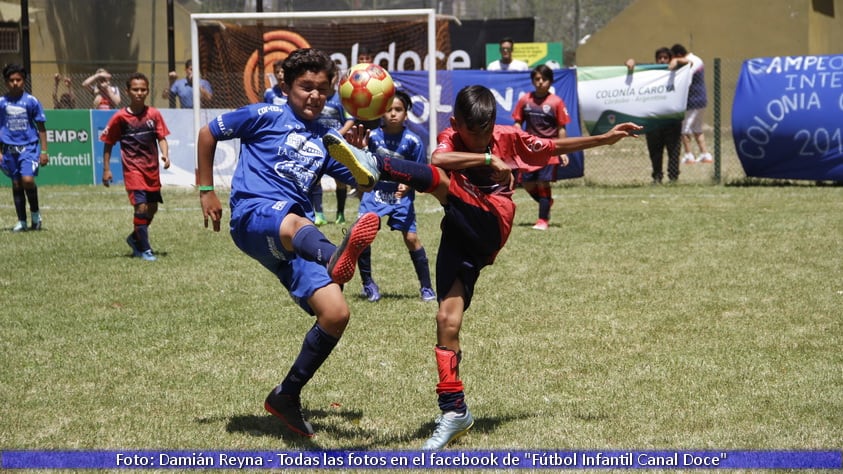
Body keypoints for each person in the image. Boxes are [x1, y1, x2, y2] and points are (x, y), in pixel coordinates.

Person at [323, 85, 641, 449]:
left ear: (493, 123)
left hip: (493, 221)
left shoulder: (507, 136)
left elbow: (552, 147)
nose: (480, 140)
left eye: (485, 133)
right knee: (447, 320)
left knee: (441, 183)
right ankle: (455, 411)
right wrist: (487, 160)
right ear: (457, 123)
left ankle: (376, 165)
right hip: (458, 230)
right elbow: (441, 158)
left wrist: (605, 138)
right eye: (471, 134)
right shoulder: (450, 137)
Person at [196, 48, 383, 438]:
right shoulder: (264, 115)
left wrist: (359, 157)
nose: (314, 96)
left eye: (322, 89)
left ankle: (286, 395)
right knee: (297, 218)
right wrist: (206, 189)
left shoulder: (325, 139)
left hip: (293, 239)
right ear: (284, 84)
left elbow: (362, 181)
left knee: (335, 314)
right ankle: (336, 257)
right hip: (255, 216)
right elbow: (207, 132)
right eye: (305, 87)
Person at [356, 90, 435, 302]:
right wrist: (360, 152)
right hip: (375, 193)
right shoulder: (372, 137)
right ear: (381, 113)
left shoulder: (414, 141)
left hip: (401, 196)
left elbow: (420, 172)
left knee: (411, 238)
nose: (393, 114)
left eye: (398, 110)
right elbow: (363, 163)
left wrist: (407, 185)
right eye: (389, 110)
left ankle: (426, 287)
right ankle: (368, 284)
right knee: (362, 236)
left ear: (406, 114)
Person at [100, 73, 171, 262]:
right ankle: (145, 249)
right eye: (135, 89)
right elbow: (108, 142)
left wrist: (165, 154)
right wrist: (106, 169)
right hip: (133, 170)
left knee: (152, 208)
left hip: (152, 170)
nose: (139, 93)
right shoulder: (120, 118)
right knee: (140, 207)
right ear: (127, 91)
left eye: (143, 89)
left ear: (147, 91)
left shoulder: (154, 114)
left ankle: (135, 237)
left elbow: (161, 137)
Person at [512, 64, 571, 230]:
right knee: (528, 184)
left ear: (550, 81)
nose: (540, 82)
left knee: (543, 183)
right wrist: (518, 134)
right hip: (530, 149)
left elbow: (561, 127)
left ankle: (542, 220)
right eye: (537, 79)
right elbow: (517, 121)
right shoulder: (525, 100)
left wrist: (563, 151)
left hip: (550, 149)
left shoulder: (556, 102)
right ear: (532, 81)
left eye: (544, 79)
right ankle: (547, 202)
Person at [0, 64, 48, 232]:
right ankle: (22, 221)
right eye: (11, 80)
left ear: (24, 81)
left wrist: (44, 151)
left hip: (28, 147)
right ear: (6, 82)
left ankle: (35, 215)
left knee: (27, 180)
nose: (15, 83)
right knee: (16, 183)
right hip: (8, 149)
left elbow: (41, 126)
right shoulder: (1, 103)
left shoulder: (31, 101)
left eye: (18, 80)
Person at [626, 47, 683, 183]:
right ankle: (657, 177)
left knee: (673, 151)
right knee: (655, 151)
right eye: (660, 58)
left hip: (671, 120)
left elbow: (690, 63)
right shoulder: (650, 71)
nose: (662, 60)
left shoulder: (678, 71)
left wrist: (676, 61)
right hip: (653, 120)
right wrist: (631, 62)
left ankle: (673, 177)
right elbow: (632, 64)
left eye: (665, 58)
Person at [670, 43, 712, 164]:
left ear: (678, 55)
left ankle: (689, 155)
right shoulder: (698, 59)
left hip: (692, 101)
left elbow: (686, 81)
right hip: (701, 100)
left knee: (684, 128)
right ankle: (705, 154)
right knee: (697, 128)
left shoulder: (690, 62)